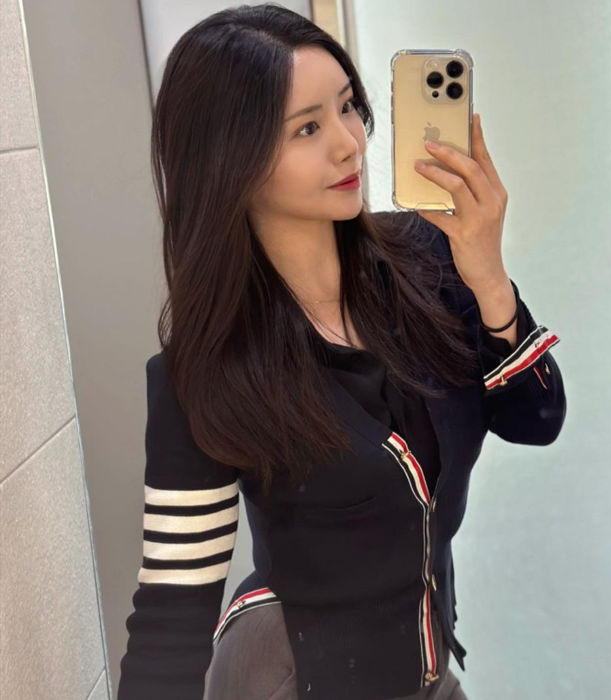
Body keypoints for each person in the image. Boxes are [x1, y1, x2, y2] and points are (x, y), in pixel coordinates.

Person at [117, 4, 566, 700]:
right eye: (307, 128)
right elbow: (172, 613)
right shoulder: (205, 373)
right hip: (289, 678)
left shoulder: (428, 259)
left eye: (348, 106)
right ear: (230, 160)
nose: (350, 143)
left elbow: (536, 420)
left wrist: (487, 276)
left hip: (426, 673)